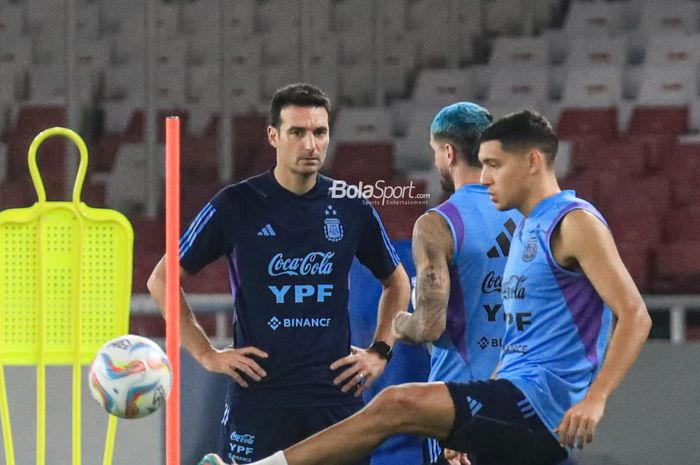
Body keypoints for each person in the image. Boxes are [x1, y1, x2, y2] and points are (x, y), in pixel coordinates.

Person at [198, 110, 651, 465]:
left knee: (396, 402)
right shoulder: (526, 229)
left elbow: (635, 314)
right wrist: (462, 426)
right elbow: (523, 345)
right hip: (513, 397)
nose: (486, 176)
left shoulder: (575, 222)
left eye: (495, 165)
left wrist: (596, 398)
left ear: (533, 162)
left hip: (543, 408)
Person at [148, 83, 410, 464]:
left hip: (334, 399)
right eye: (297, 132)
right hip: (260, 400)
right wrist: (206, 354)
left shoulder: (351, 205)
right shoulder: (236, 204)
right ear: (274, 136)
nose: (310, 144)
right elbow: (162, 279)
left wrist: (381, 351)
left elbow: (398, 282)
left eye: (319, 132)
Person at [388, 102, 522, 465]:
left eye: (435, 153)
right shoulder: (530, 214)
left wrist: (400, 323)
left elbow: (430, 326)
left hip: (460, 407)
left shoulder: (438, 224)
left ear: (449, 152)